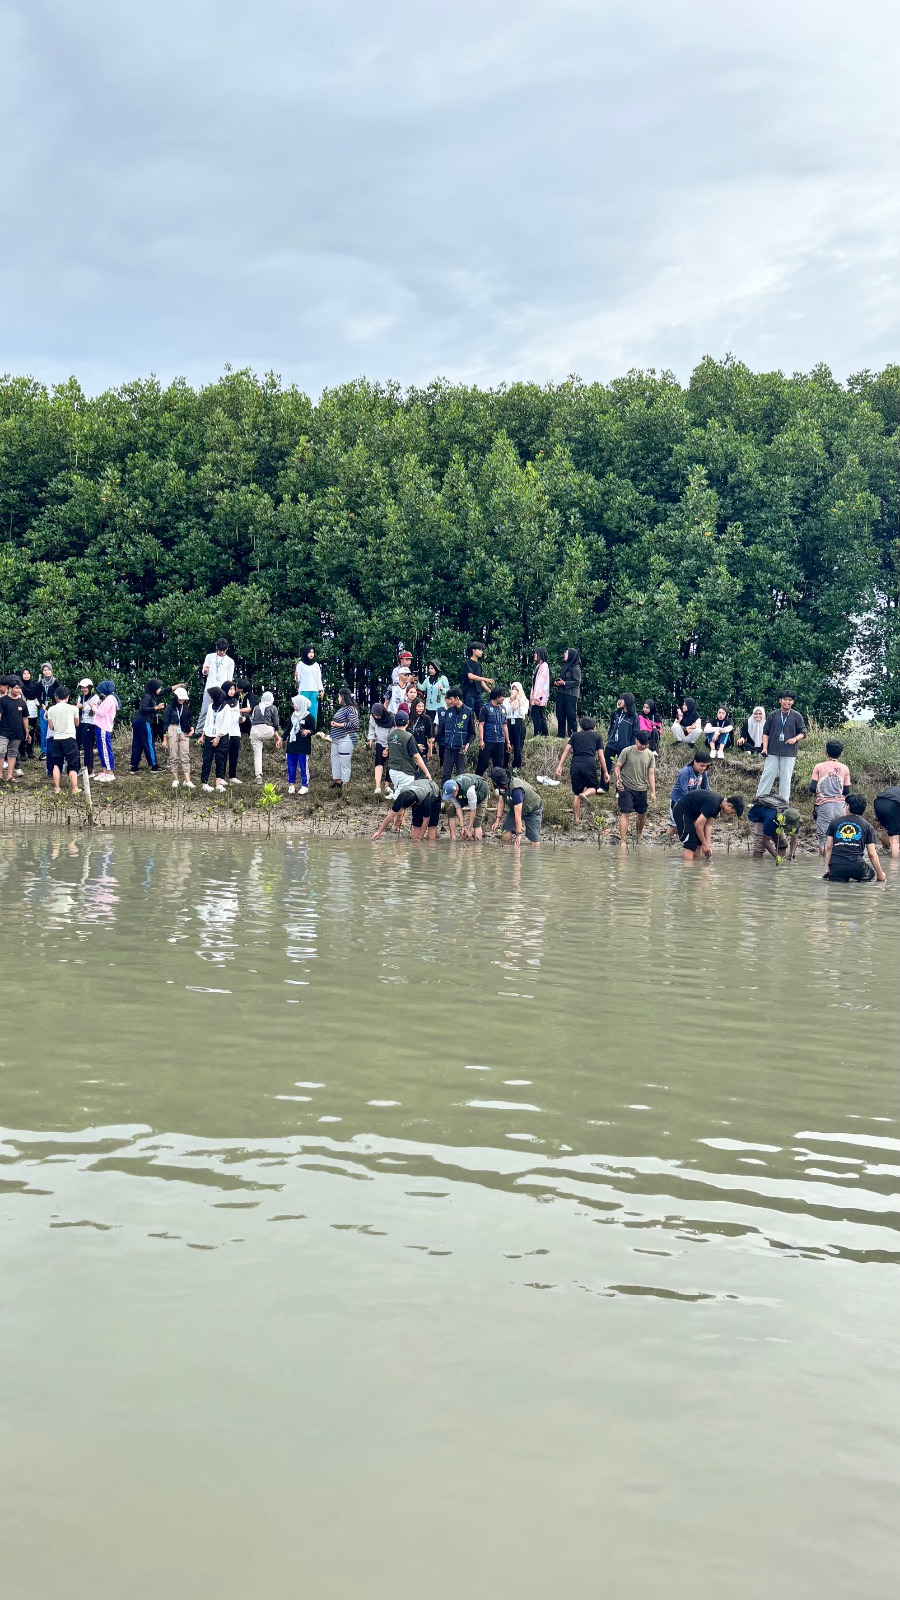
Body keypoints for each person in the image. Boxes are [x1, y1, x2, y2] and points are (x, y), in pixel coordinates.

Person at [555, 716, 609, 823]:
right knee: (594, 787)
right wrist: (606, 772)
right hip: (589, 763)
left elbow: (566, 750)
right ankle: (585, 794)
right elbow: (601, 756)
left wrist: (559, 766)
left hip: (575, 764)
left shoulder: (575, 735)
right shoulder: (597, 736)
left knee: (576, 793)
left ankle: (576, 819)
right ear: (594, 726)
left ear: (580, 726)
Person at [756, 692, 806, 801]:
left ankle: (783, 803)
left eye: (790, 700)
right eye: (785, 699)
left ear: (793, 702)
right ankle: (759, 800)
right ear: (780, 700)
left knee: (785, 779)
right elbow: (765, 732)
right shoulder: (773, 715)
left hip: (789, 752)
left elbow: (803, 732)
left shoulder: (796, 715)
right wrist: (765, 748)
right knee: (767, 776)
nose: (787, 702)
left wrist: (795, 739)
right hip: (772, 751)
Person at [823, 797, 886, 884]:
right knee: (870, 875)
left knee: (836, 888)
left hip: (837, 866)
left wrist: (827, 868)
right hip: (857, 866)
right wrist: (880, 874)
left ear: (848, 806)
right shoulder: (867, 826)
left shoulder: (834, 823)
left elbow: (829, 847)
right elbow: (872, 853)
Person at [672, 790, 745, 861]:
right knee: (691, 844)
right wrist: (705, 844)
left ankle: (694, 869)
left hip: (692, 816)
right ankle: (687, 872)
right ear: (729, 805)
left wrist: (707, 845)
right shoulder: (713, 802)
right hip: (682, 812)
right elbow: (698, 824)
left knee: (699, 842)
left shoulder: (718, 806)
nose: (731, 815)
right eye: (732, 812)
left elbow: (708, 825)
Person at [614, 730, 657, 843]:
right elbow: (618, 767)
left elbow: (651, 773)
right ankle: (622, 840)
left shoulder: (650, 755)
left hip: (641, 788)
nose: (643, 746)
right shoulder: (627, 751)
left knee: (642, 814)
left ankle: (639, 835)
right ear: (636, 740)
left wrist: (653, 791)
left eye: (646, 744)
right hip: (626, 786)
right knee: (625, 813)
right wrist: (618, 779)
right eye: (641, 744)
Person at [809, 740, 851, 851]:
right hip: (840, 807)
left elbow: (812, 788)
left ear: (826, 753)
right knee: (839, 836)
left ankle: (823, 864)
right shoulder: (845, 768)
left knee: (823, 838)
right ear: (840, 754)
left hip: (823, 806)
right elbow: (846, 791)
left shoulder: (818, 767)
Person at [372, 775, 442, 842]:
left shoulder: (425, 800)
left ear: (413, 803)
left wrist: (420, 838)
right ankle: (415, 845)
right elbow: (390, 815)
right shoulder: (402, 795)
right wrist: (379, 832)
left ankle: (431, 845)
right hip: (418, 789)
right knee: (416, 824)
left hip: (433, 793)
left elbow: (426, 820)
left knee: (432, 825)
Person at [490, 766, 543, 846]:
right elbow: (501, 802)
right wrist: (497, 820)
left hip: (532, 810)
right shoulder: (502, 787)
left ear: (495, 782)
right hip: (514, 809)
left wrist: (518, 834)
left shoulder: (516, 790)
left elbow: (518, 814)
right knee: (505, 837)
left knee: (534, 842)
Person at [386, 707, 431, 795]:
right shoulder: (408, 737)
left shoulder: (390, 735)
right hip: (405, 772)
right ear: (408, 722)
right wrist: (426, 772)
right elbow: (416, 756)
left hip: (392, 770)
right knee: (402, 801)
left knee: (399, 796)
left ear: (395, 722)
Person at [46, 686, 81, 794]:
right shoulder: (73, 708)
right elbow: (77, 724)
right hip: (70, 738)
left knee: (56, 764)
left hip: (57, 739)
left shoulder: (51, 709)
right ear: (68, 697)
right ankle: (75, 788)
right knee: (72, 764)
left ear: (56, 697)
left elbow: (51, 727)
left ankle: (57, 788)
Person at [746, 797, 801, 863]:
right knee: (759, 846)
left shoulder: (794, 818)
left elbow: (795, 837)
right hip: (756, 817)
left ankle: (779, 867)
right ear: (783, 820)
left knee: (782, 844)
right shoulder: (771, 818)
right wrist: (776, 856)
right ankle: (757, 869)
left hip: (773, 818)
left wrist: (792, 854)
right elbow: (765, 841)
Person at [668, 748, 711, 831]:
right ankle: (666, 839)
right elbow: (684, 791)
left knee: (690, 824)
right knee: (674, 826)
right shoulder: (685, 772)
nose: (703, 768)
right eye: (702, 765)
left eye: (706, 766)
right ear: (695, 762)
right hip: (678, 801)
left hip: (691, 801)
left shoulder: (703, 773)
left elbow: (706, 788)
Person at [436, 689, 475, 781]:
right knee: (446, 774)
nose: (449, 701)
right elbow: (442, 729)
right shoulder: (449, 711)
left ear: (457, 698)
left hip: (461, 749)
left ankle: (459, 794)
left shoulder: (468, 712)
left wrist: (468, 744)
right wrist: (434, 739)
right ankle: (444, 793)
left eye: (451, 699)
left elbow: (472, 732)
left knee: (460, 775)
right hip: (448, 748)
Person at [198, 639, 235, 734]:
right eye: (219, 650)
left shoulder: (230, 661)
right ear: (216, 648)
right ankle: (199, 731)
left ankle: (220, 731)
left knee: (220, 712)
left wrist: (228, 691)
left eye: (223, 650)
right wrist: (205, 671)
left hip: (222, 690)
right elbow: (204, 671)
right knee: (205, 711)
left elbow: (229, 679)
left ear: (227, 649)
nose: (221, 652)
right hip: (209, 688)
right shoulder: (209, 657)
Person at [442, 773, 490, 840]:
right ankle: (453, 839)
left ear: (456, 790)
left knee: (477, 821)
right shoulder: (452, 789)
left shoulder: (470, 791)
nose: (451, 797)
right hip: (464, 795)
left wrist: (469, 829)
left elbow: (473, 810)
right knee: (451, 810)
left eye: (452, 795)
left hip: (481, 790)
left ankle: (478, 846)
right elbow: (458, 808)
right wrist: (462, 827)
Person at [163, 686, 195, 788]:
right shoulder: (170, 707)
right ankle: (176, 779)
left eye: (183, 698)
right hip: (172, 729)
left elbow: (190, 720)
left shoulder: (186, 707)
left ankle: (187, 780)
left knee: (185, 754)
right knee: (173, 755)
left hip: (184, 730)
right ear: (176, 696)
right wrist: (164, 739)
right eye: (180, 698)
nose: (181, 700)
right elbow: (165, 723)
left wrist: (192, 728)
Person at [200, 686, 229, 791]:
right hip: (209, 736)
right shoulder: (210, 706)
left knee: (220, 759)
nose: (211, 698)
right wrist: (202, 735)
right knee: (207, 759)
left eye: (212, 696)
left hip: (221, 737)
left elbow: (226, 724)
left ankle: (218, 783)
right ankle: (204, 783)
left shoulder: (226, 707)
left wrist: (218, 737)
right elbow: (207, 721)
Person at [477, 685, 512, 775]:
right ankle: (476, 783)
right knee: (482, 764)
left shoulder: (503, 709)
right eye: (502, 696)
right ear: (497, 696)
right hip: (488, 740)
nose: (504, 698)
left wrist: (507, 742)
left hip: (500, 741)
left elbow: (504, 726)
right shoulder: (485, 708)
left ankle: (498, 787)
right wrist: (481, 740)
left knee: (499, 767)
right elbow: (481, 725)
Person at [130, 679, 164, 772]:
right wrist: (156, 708)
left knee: (138, 744)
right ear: (154, 688)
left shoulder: (151, 695)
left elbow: (166, 690)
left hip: (137, 721)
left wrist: (177, 686)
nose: (160, 689)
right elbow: (142, 709)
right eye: (158, 687)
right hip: (143, 722)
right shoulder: (147, 696)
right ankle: (154, 766)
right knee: (149, 743)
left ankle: (134, 767)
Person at [329, 687, 359, 788]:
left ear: (342, 696)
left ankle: (345, 783)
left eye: (338, 696)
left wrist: (338, 725)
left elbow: (354, 724)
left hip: (346, 738)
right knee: (335, 760)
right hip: (336, 739)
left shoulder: (351, 709)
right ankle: (338, 782)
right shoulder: (343, 709)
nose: (337, 698)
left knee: (344, 761)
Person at [249, 692, 282, 783]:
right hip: (267, 731)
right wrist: (276, 729)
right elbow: (276, 724)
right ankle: (279, 739)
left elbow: (252, 719)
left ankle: (258, 776)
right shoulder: (273, 708)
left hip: (254, 731)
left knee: (257, 754)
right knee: (272, 729)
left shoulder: (256, 707)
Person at [604, 693, 639, 779]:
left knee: (622, 769)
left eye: (622, 699)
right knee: (605, 764)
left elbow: (635, 733)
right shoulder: (616, 713)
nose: (620, 701)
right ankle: (603, 786)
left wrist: (632, 747)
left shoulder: (634, 716)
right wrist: (608, 739)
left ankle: (619, 790)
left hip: (624, 746)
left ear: (627, 701)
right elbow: (612, 727)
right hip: (612, 743)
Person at [285, 693, 315, 793]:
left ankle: (304, 785)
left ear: (301, 704)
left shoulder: (309, 717)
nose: (294, 706)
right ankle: (291, 784)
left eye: (295, 704)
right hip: (292, 745)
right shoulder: (293, 716)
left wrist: (308, 732)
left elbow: (314, 729)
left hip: (303, 746)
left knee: (303, 765)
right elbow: (288, 730)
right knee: (291, 765)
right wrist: (281, 739)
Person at [0, 680, 28, 782]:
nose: (18, 690)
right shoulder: (3, 700)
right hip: (3, 731)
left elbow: (25, 718)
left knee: (13, 753)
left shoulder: (22, 702)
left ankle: (10, 776)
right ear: (10, 688)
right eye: (16, 688)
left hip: (17, 732)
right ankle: (0, 775)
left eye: (20, 688)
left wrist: (27, 731)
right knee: (1, 752)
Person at [366, 702, 395, 795]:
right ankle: (377, 787)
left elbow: (393, 735)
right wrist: (370, 740)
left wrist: (387, 748)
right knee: (378, 762)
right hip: (379, 742)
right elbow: (371, 729)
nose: (376, 717)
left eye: (378, 715)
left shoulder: (391, 718)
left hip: (390, 744)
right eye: (374, 715)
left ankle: (387, 786)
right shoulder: (373, 718)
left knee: (390, 764)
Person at [92, 681, 119, 780]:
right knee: (101, 750)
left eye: (101, 691)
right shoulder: (107, 699)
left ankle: (110, 773)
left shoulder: (110, 699)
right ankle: (104, 771)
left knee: (106, 750)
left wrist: (93, 707)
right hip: (100, 727)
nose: (100, 693)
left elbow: (102, 713)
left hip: (104, 727)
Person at [554, 648, 582, 739]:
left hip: (571, 694)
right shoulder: (566, 666)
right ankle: (560, 735)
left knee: (570, 715)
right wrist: (558, 682)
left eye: (566, 653)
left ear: (571, 655)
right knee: (560, 714)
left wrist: (564, 683)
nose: (564, 654)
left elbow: (577, 682)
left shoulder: (576, 668)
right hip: (562, 692)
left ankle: (572, 735)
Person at [35, 662, 60, 757]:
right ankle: (44, 751)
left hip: (54, 708)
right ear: (42, 672)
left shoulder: (56, 682)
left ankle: (54, 749)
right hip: (44, 708)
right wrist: (42, 705)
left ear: (51, 670)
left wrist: (55, 704)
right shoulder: (40, 683)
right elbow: (38, 695)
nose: (47, 672)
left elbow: (60, 694)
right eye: (45, 670)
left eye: (48, 669)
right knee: (44, 729)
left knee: (54, 729)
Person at [295, 646, 324, 725]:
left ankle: (311, 730)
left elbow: (318, 679)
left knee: (313, 711)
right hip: (304, 689)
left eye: (313, 652)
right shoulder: (300, 664)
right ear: (305, 653)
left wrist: (321, 690)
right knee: (302, 710)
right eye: (309, 652)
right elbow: (298, 680)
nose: (311, 654)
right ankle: (301, 728)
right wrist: (296, 676)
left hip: (314, 690)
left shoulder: (316, 665)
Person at [461, 643, 492, 715]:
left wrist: (488, 690)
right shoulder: (467, 662)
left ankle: (480, 726)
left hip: (478, 692)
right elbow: (470, 676)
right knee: (469, 713)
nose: (482, 652)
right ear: (474, 651)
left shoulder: (479, 665)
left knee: (482, 713)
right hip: (469, 692)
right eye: (480, 650)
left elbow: (480, 680)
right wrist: (486, 679)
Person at [221, 681, 243, 784]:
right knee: (223, 755)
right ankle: (221, 777)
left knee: (234, 754)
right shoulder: (221, 702)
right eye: (230, 689)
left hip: (236, 731)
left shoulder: (237, 701)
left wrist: (241, 719)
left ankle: (232, 776)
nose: (232, 691)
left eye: (233, 689)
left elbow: (237, 715)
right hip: (225, 732)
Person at [504, 682, 529, 770]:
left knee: (518, 746)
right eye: (513, 689)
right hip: (508, 723)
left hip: (519, 723)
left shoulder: (525, 700)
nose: (515, 692)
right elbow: (504, 712)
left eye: (517, 690)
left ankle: (516, 767)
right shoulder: (506, 700)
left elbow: (523, 713)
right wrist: (511, 701)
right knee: (506, 744)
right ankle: (505, 766)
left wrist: (519, 702)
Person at [873, 785, 900, 859]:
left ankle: (885, 848)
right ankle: (895, 866)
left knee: (885, 827)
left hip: (878, 803)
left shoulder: (894, 789)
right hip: (893, 805)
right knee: (895, 838)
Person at [75, 680, 95, 775]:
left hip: (90, 723)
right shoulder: (80, 697)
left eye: (85, 687)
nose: (83, 690)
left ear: (90, 688)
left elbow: (93, 711)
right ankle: (78, 767)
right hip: (81, 722)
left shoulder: (95, 697)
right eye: (82, 688)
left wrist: (82, 707)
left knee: (88, 746)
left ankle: (89, 769)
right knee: (76, 744)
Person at [530, 649, 551, 737]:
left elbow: (540, 681)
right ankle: (543, 733)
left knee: (536, 714)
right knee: (540, 714)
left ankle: (538, 733)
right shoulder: (539, 666)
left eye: (536, 653)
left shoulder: (544, 666)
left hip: (540, 695)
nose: (534, 655)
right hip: (537, 694)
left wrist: (537, 696)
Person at [19, 669, 38, 760]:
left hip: (33, 710)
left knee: (32, 731)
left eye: (28, 673)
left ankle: (30, 750)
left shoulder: (35, 685)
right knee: (22, 731)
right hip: (22, 711)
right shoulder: (20, 686)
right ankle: (22, 752)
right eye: (24, 673)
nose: (26, 675)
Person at [410, 695, 433, 764]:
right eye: (419, 706)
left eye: (422, 706)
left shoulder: (426, 719)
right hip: (410, 751)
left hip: (423, 750)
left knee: (421, 773)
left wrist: (430, 751)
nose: (421, 708)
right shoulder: (408, 717)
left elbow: (430, 737)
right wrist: (416, 746)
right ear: (414, 707)